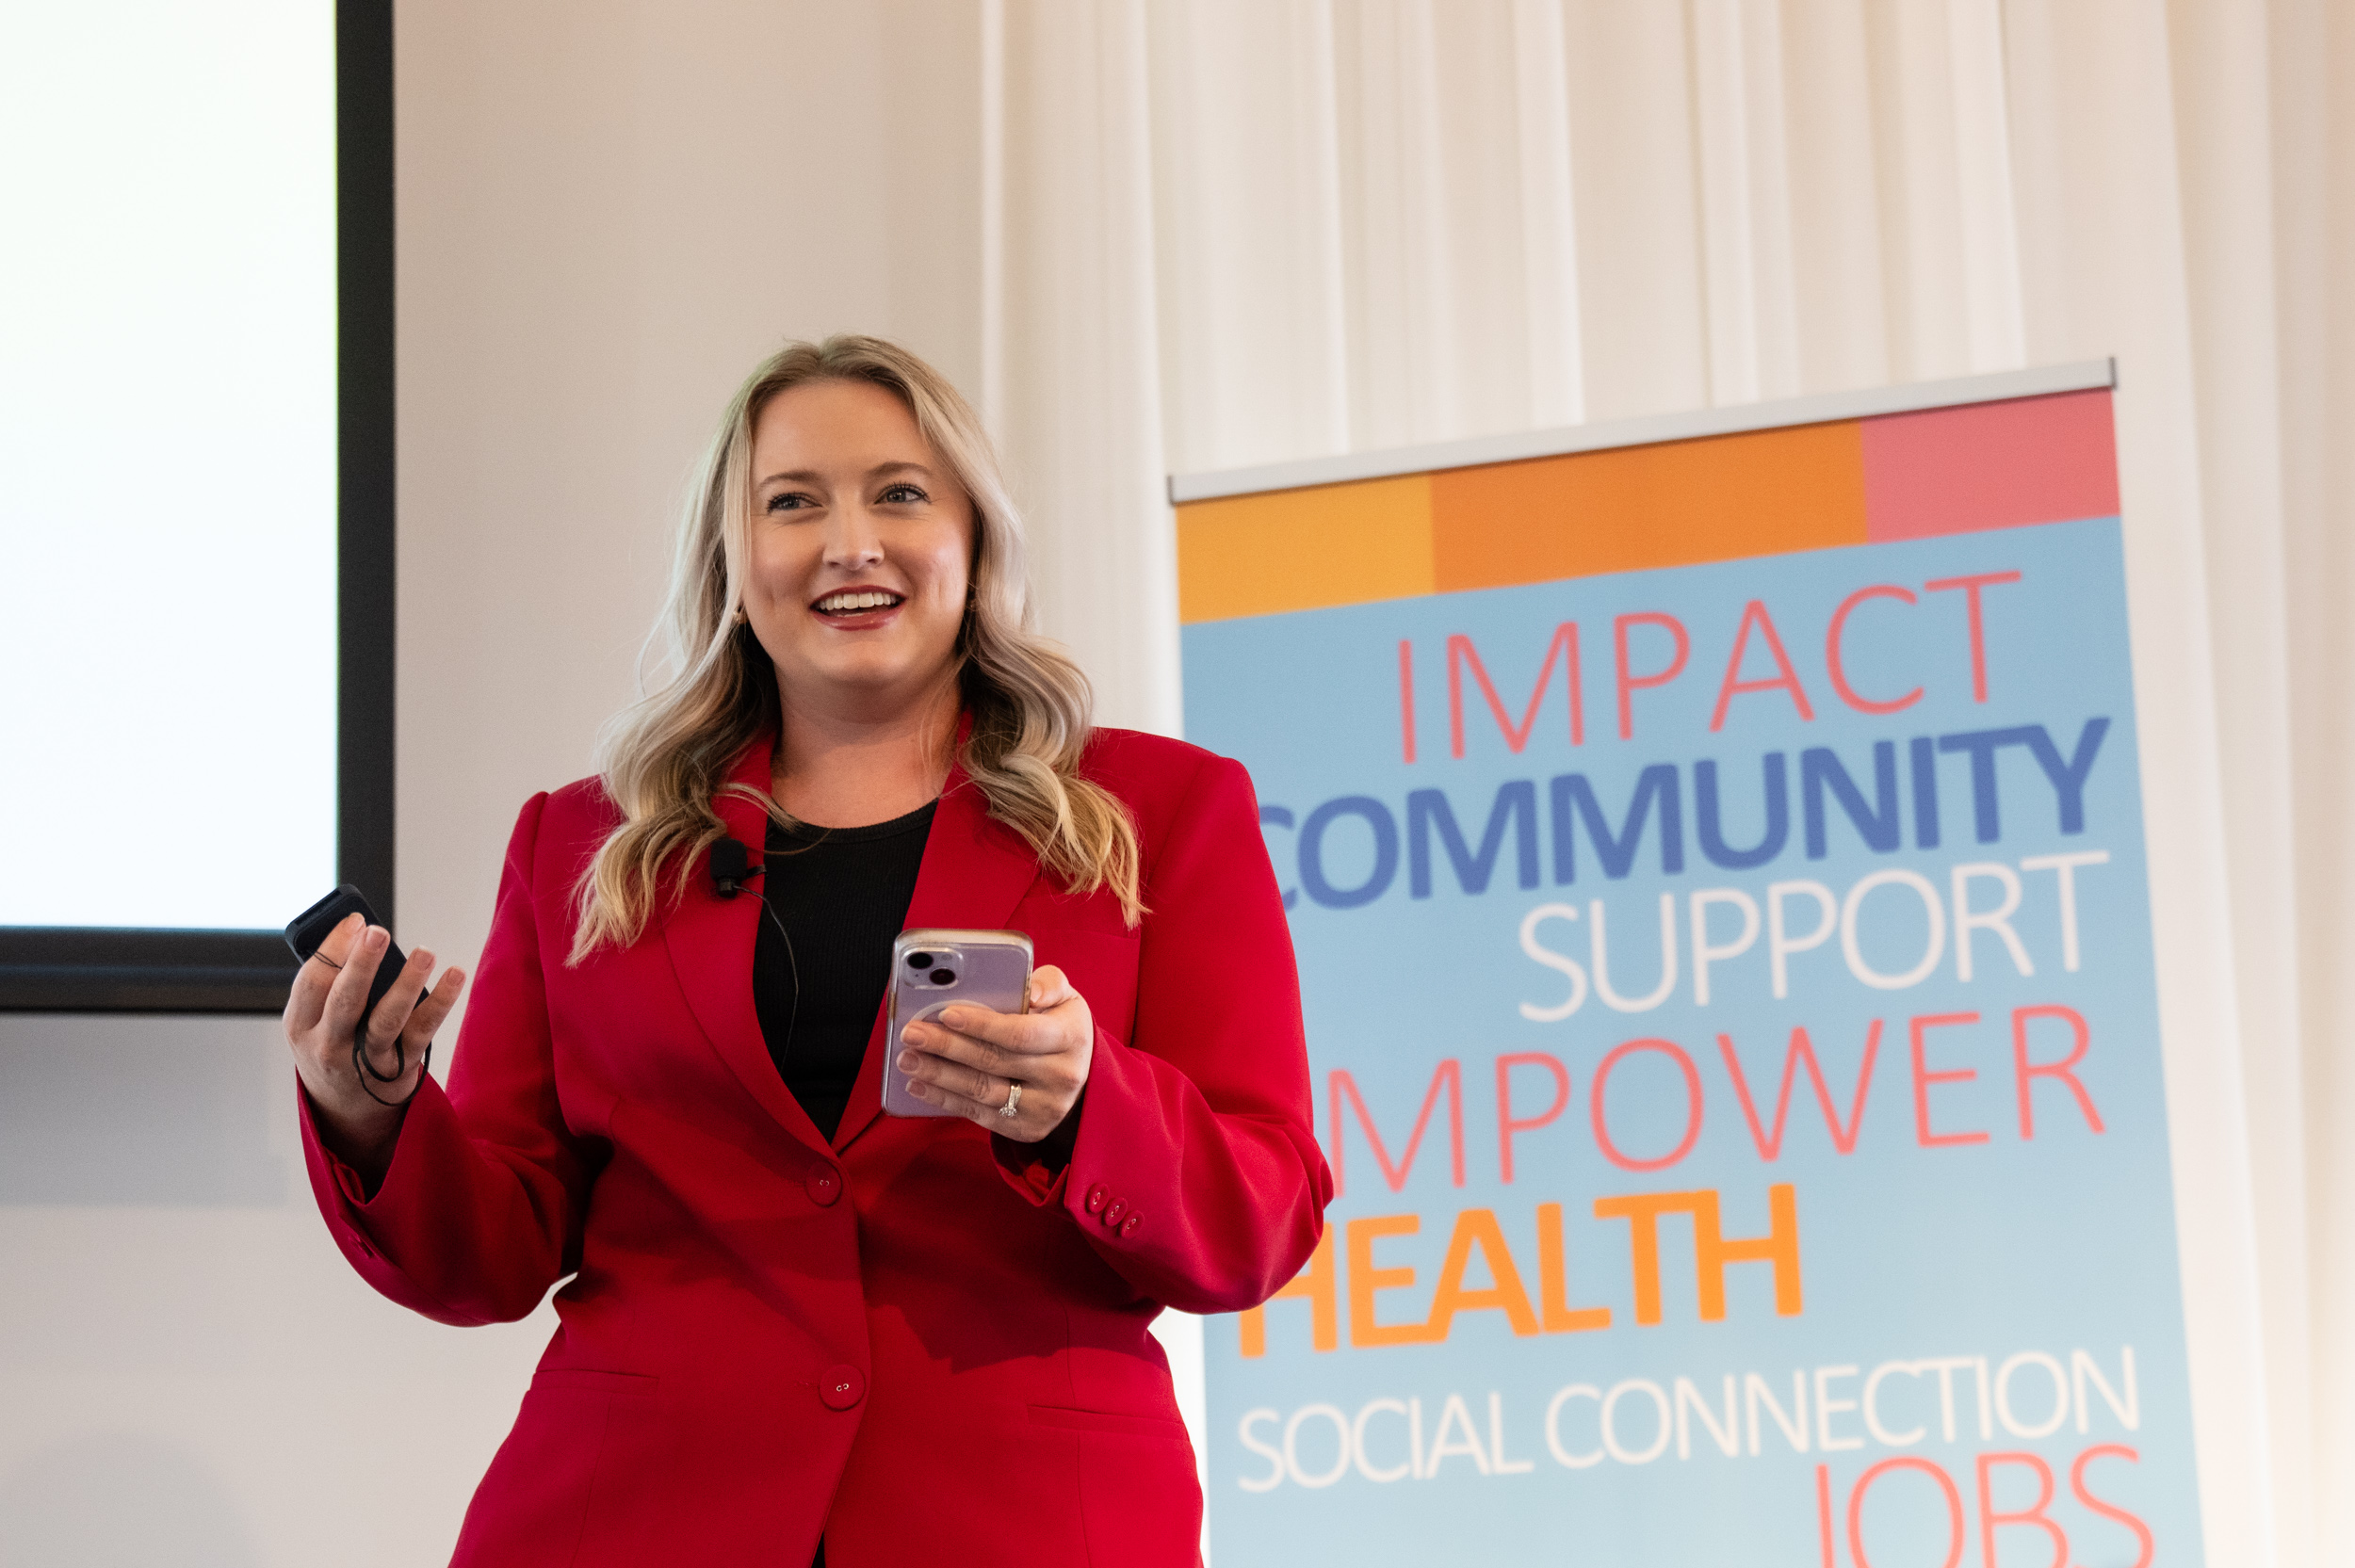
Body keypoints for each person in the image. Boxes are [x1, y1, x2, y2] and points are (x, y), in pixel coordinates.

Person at [283, 335, 1330, 1566]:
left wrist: (1086, 1102)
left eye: (899, 492)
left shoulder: (1165, 811)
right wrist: (372, 1112)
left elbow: (1264, 1214)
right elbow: (496, 1246)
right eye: (793, 503)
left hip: (1021, 1522)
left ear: (976, 538)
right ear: (733, 558)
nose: (849, 542)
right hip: (627, 1521)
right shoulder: (580, 841)